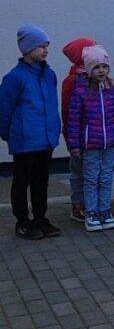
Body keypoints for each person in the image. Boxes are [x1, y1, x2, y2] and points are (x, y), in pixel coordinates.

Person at [0, 26, 62, 240]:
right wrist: (8, 134)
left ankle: (40, 218)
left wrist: (55, 130)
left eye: (46, 46)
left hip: (45, 140)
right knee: (21, 181)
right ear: (27, 49)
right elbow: (4, 110)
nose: (45, 50)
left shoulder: (49, 75)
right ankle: (22, 221)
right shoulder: (14, 78)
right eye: (40, 46)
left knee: (41, 181)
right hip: (25, 140)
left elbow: (52, 105)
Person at [66, 46, 114, 233]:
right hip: (90, 145)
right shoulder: (80, 93)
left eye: (104, 66)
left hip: (110, 144)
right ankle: (91, 212)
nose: (101, 70)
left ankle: (105, 210)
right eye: (96, 67)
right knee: (91, 178)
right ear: (88, 69)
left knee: (106, 177)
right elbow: (73, 121)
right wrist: (74, 146)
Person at [60, 36, 97, 224]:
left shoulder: (96, 76)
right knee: (78, 171)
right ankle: (78, 204)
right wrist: (70, 137)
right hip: (78, 135)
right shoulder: (72, 81)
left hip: (94, 135)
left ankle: (93, 204)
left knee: (93, 172)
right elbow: (67, 111)